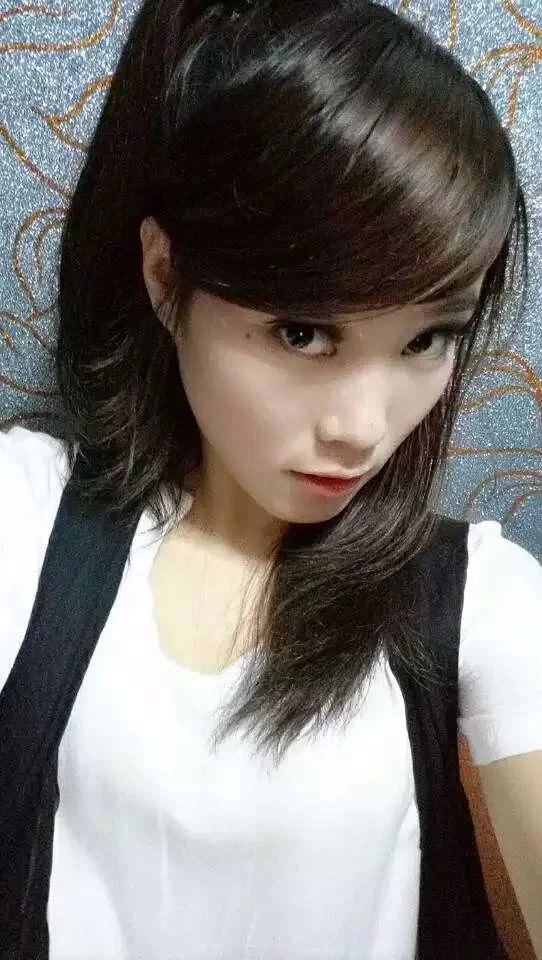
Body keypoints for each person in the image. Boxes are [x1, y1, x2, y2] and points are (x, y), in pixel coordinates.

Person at [1, 0, 541, 958]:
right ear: (165, 277)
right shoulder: (28, 515)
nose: (362, 429)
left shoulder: (476, 598)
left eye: (427, 339)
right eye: (303, 332)